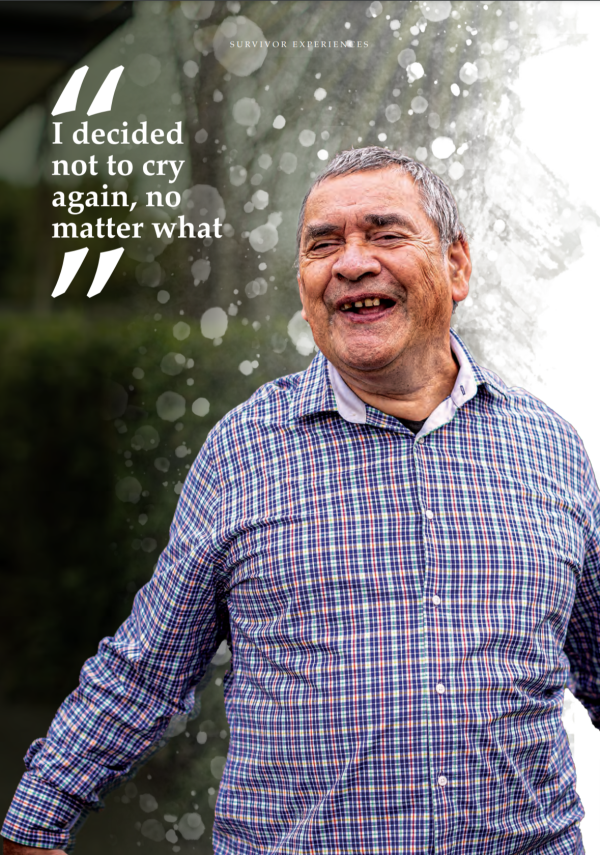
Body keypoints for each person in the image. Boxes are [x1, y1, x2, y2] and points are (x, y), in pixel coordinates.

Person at [3, 146, 600, 855]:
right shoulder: (245, 452)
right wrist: (34, 823)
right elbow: (144, 673)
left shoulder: (551, 451)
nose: (350, 263)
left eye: (383, 233)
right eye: (323, 244)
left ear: (457, 266)